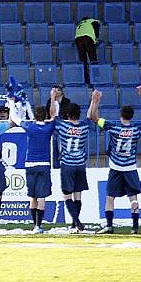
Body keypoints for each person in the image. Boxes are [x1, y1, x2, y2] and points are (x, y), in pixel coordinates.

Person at [91, 86, 141, 234]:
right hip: (130, 167)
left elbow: (94, 118)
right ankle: (135, 227)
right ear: (132, 116)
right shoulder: (138, 127)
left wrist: (95, 101)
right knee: (133, 197)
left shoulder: (113, 127)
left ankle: (109, 226)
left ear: (121, 115)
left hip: (116, 168)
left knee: (110, 197)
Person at [16, 104, 57, 234]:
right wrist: (53, 99)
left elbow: (14, 117)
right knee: (42, 197)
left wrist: (11, 102)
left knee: (32, 196)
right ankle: (39, 226)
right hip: (44, 164)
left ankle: (35, 225)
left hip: (30, 165)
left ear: (34, 116)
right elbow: (55, 115)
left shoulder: (30, 127)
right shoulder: (49, 127)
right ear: (45, 116)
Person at [52, 100, 92, 233]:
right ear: (78, 114)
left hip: (67, 164)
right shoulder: (84, 126)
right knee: (78, 195)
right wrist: (94, 101)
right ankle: (75, 224)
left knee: (67, 195)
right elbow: (90, 116)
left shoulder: (63, 126)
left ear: (68, 114)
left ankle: (76, 222)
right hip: (80, 164)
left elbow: (53, 115)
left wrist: (52, 98)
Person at [74, 16, 100, 84]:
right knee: (93, 58)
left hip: (78, 40)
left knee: (83, 60)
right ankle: (96, 76)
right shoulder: (92, 20)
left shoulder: (80, 23)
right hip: (87, 38)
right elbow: (96, 27)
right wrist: (96, 38)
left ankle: (85, 79)